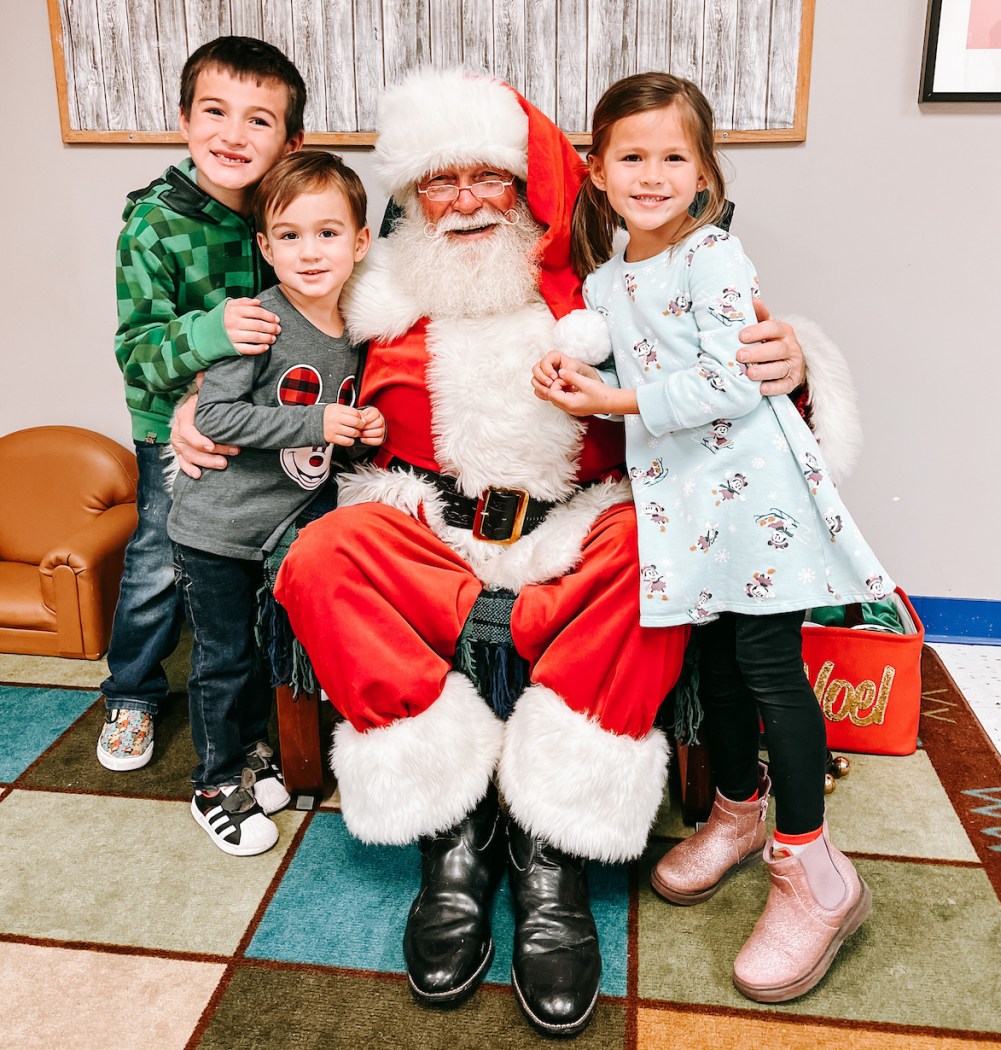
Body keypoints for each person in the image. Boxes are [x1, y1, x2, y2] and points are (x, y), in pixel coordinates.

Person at [171, 69, 851, 1036]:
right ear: (406, 201)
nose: (461, 203)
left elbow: (723, 349)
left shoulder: (607, 283)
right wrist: (191, 409)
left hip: (577, 526)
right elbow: (276, 346)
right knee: (322, 558)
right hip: (429, 530)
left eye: (484, 177)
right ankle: (453, 823)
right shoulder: (371, 284)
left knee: (653, 552)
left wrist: (793, 359)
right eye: (436, 183)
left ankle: (550, 838)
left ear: (525, 184)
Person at [532, 72, 891, 1003]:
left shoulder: (715, 257)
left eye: (674, 157)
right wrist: (566, 354)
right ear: (598, 172)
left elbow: (735, 382)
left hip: (756, 504)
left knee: (771, 671)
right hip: (686, 504)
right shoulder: (613, 275)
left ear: (703, 175)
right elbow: (608, 332)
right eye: (632, 156)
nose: (652, 174)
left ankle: (814, 873)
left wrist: (612, 396)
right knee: (718, 669)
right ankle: (737, 812)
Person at [97, 36, 305, 772]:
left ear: (290, 141)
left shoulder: (290, 214)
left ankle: (265, 700)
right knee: (159, 562)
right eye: (215, 111)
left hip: (267, 428)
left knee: (252, 565)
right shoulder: (154, 224)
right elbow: (138, 352)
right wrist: (210, 336)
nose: (233, 134)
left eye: (259, 120)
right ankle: (132, 692)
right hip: (176, 435)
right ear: (184, 119)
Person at [167, 150, 380, 856]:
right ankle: (213, 782)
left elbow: (330, 435)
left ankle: (252, 751)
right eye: (288, 235)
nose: (309, 251)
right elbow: (217, 419)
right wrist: (317, 422)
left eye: (327, 233)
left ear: (360, 242)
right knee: (223, 659)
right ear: (265, 246)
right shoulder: (257, 321)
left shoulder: (358, 329)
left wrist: (361, 429)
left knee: (262, 651)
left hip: (279, 528)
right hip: (216, 529)